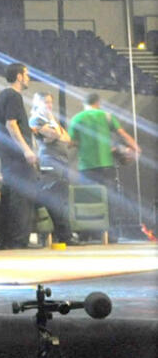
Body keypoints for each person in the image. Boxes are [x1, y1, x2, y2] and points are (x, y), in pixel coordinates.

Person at [68, 93, 141, 241]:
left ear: (85, 103)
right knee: (110, 199)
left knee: (88, 200)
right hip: (106, 165)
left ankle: (86, 235)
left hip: (86, 167)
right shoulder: (107, 116)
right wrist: (135, 148)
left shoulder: (77, 118)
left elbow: (71, 143)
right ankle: (111, 235)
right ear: (98, 102)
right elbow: (123, 134)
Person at [0, 63, 38, 249]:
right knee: (22, 198)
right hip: (17, 156)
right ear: (19, 76)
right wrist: (27, 149)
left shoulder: (2, 96)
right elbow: (12, 124)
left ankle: (7, 241)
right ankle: (19, 240)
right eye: (26, 74)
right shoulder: (14, 96)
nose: (28, 78)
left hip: (7, 156)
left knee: (10, 197)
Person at [28, 91, 73, 244]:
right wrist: (54, 132)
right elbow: (54, 135)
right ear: (37, 103)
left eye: (50, 102)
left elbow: (67, 139)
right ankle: (64, 237)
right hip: (50, 164)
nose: (49, 105)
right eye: (45, 102)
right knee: (55, 200)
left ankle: (64, 236)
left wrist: (54, 128)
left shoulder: (51, 120)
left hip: (62, 164)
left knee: (63, 202)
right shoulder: (36, 119)